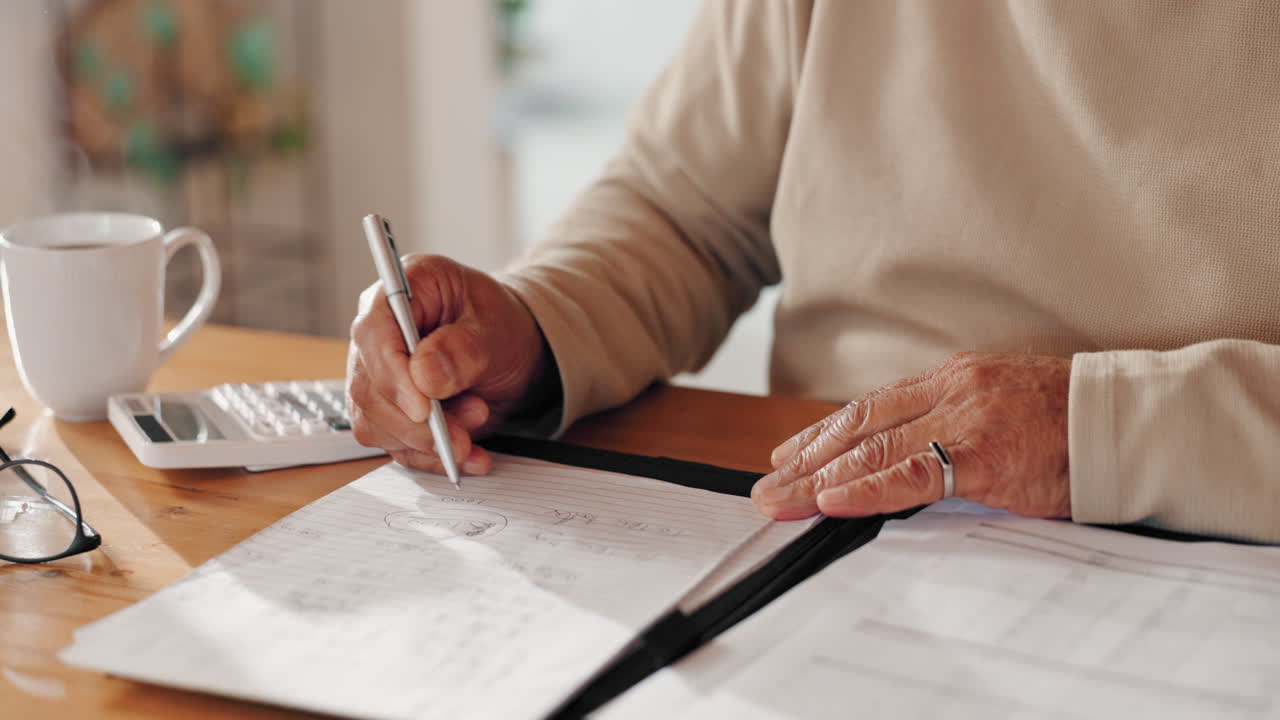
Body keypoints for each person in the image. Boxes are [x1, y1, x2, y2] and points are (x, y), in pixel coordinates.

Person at [347, 1, 1280, 544]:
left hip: (1220, 549)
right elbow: (682, 209)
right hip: (830, 538)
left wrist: (1093, 428)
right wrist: (535, 326)